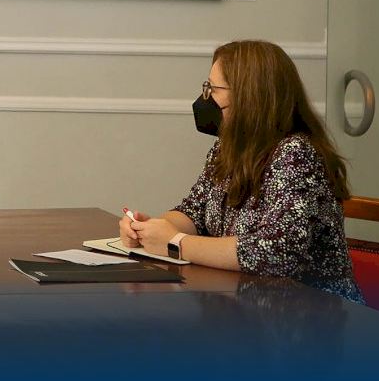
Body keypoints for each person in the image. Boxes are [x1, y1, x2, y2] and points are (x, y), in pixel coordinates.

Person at [120, 40, 363, 302]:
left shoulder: (297, 154)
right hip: (245, 305)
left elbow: (275, 253)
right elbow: (194, 212)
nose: (206, 98)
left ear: (249, 96)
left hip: (312, 312)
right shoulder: (227, 147)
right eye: (206, 87)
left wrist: (175, 243)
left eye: (213, 89)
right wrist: (150, 230)